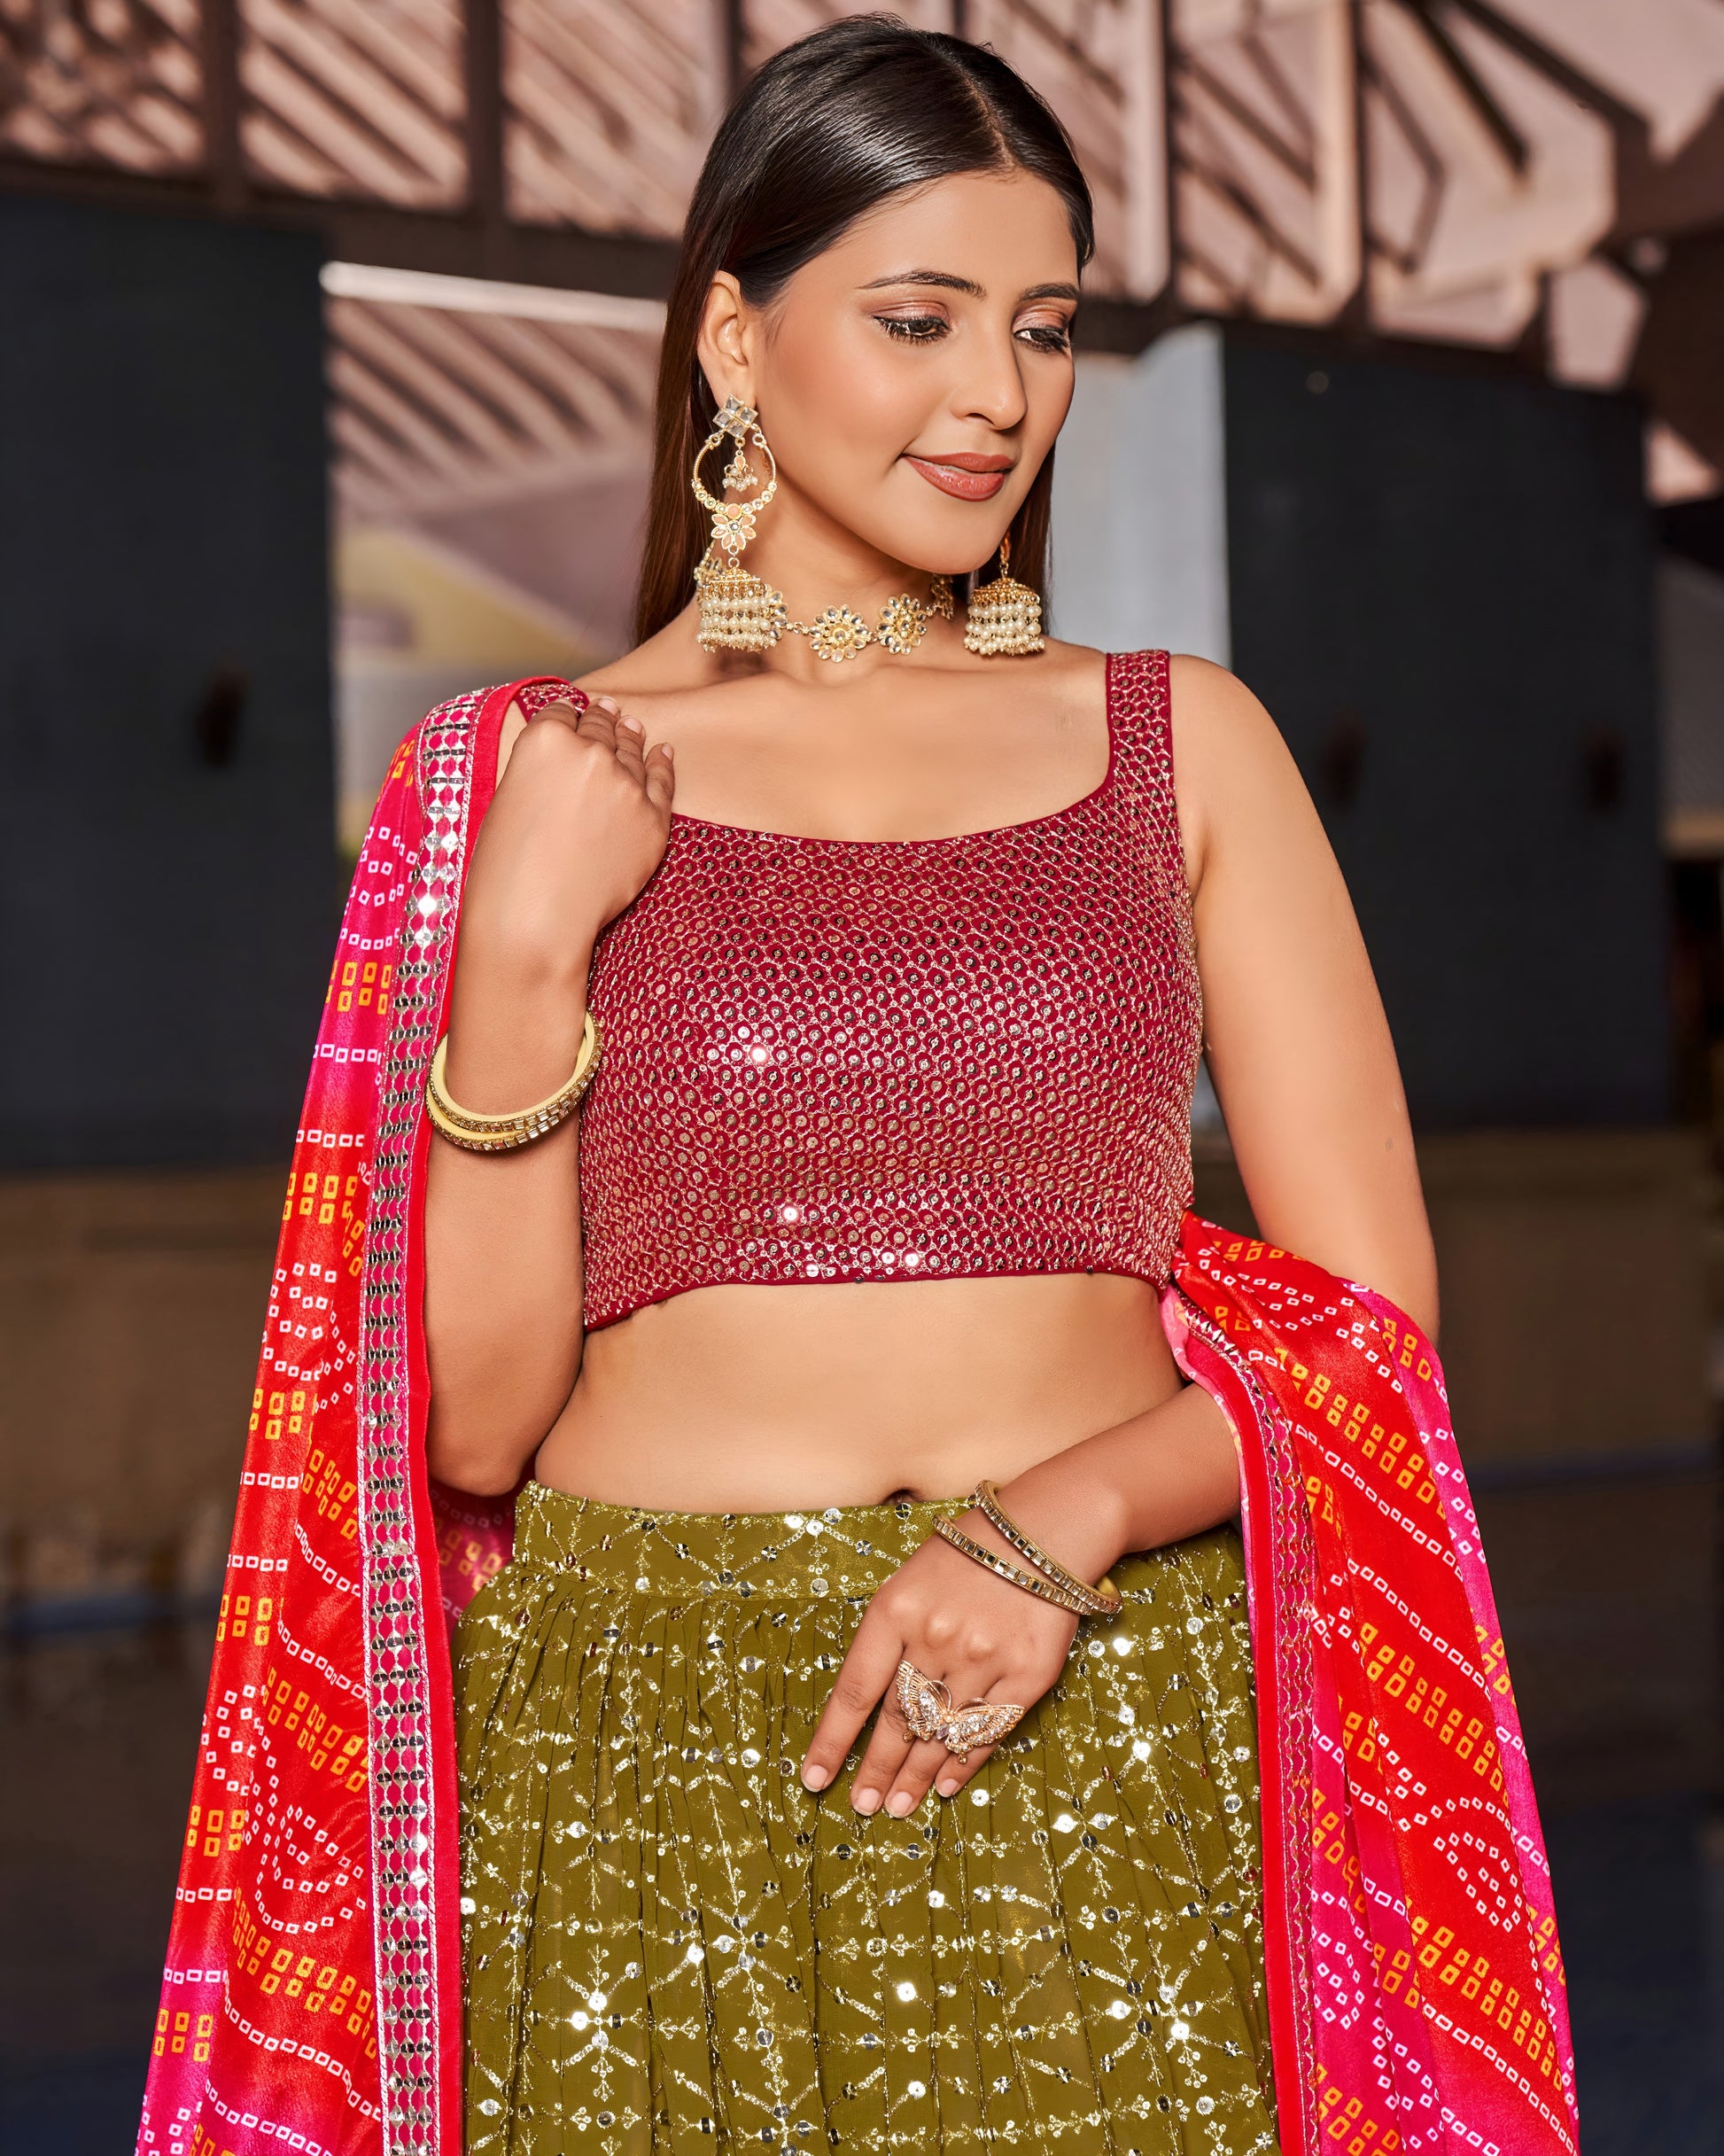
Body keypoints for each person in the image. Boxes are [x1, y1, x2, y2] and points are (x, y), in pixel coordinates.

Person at [140, 20, 1578, 2156]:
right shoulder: (519, 772)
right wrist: (526, 949)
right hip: (647, 1745)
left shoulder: (1183, 744)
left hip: (1097, 1701)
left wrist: (1058, 1524)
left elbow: (1374, 1321)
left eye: (1043, 325)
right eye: (916, 318)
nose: (994, 393)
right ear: (735, 332)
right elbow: (465, 1426)